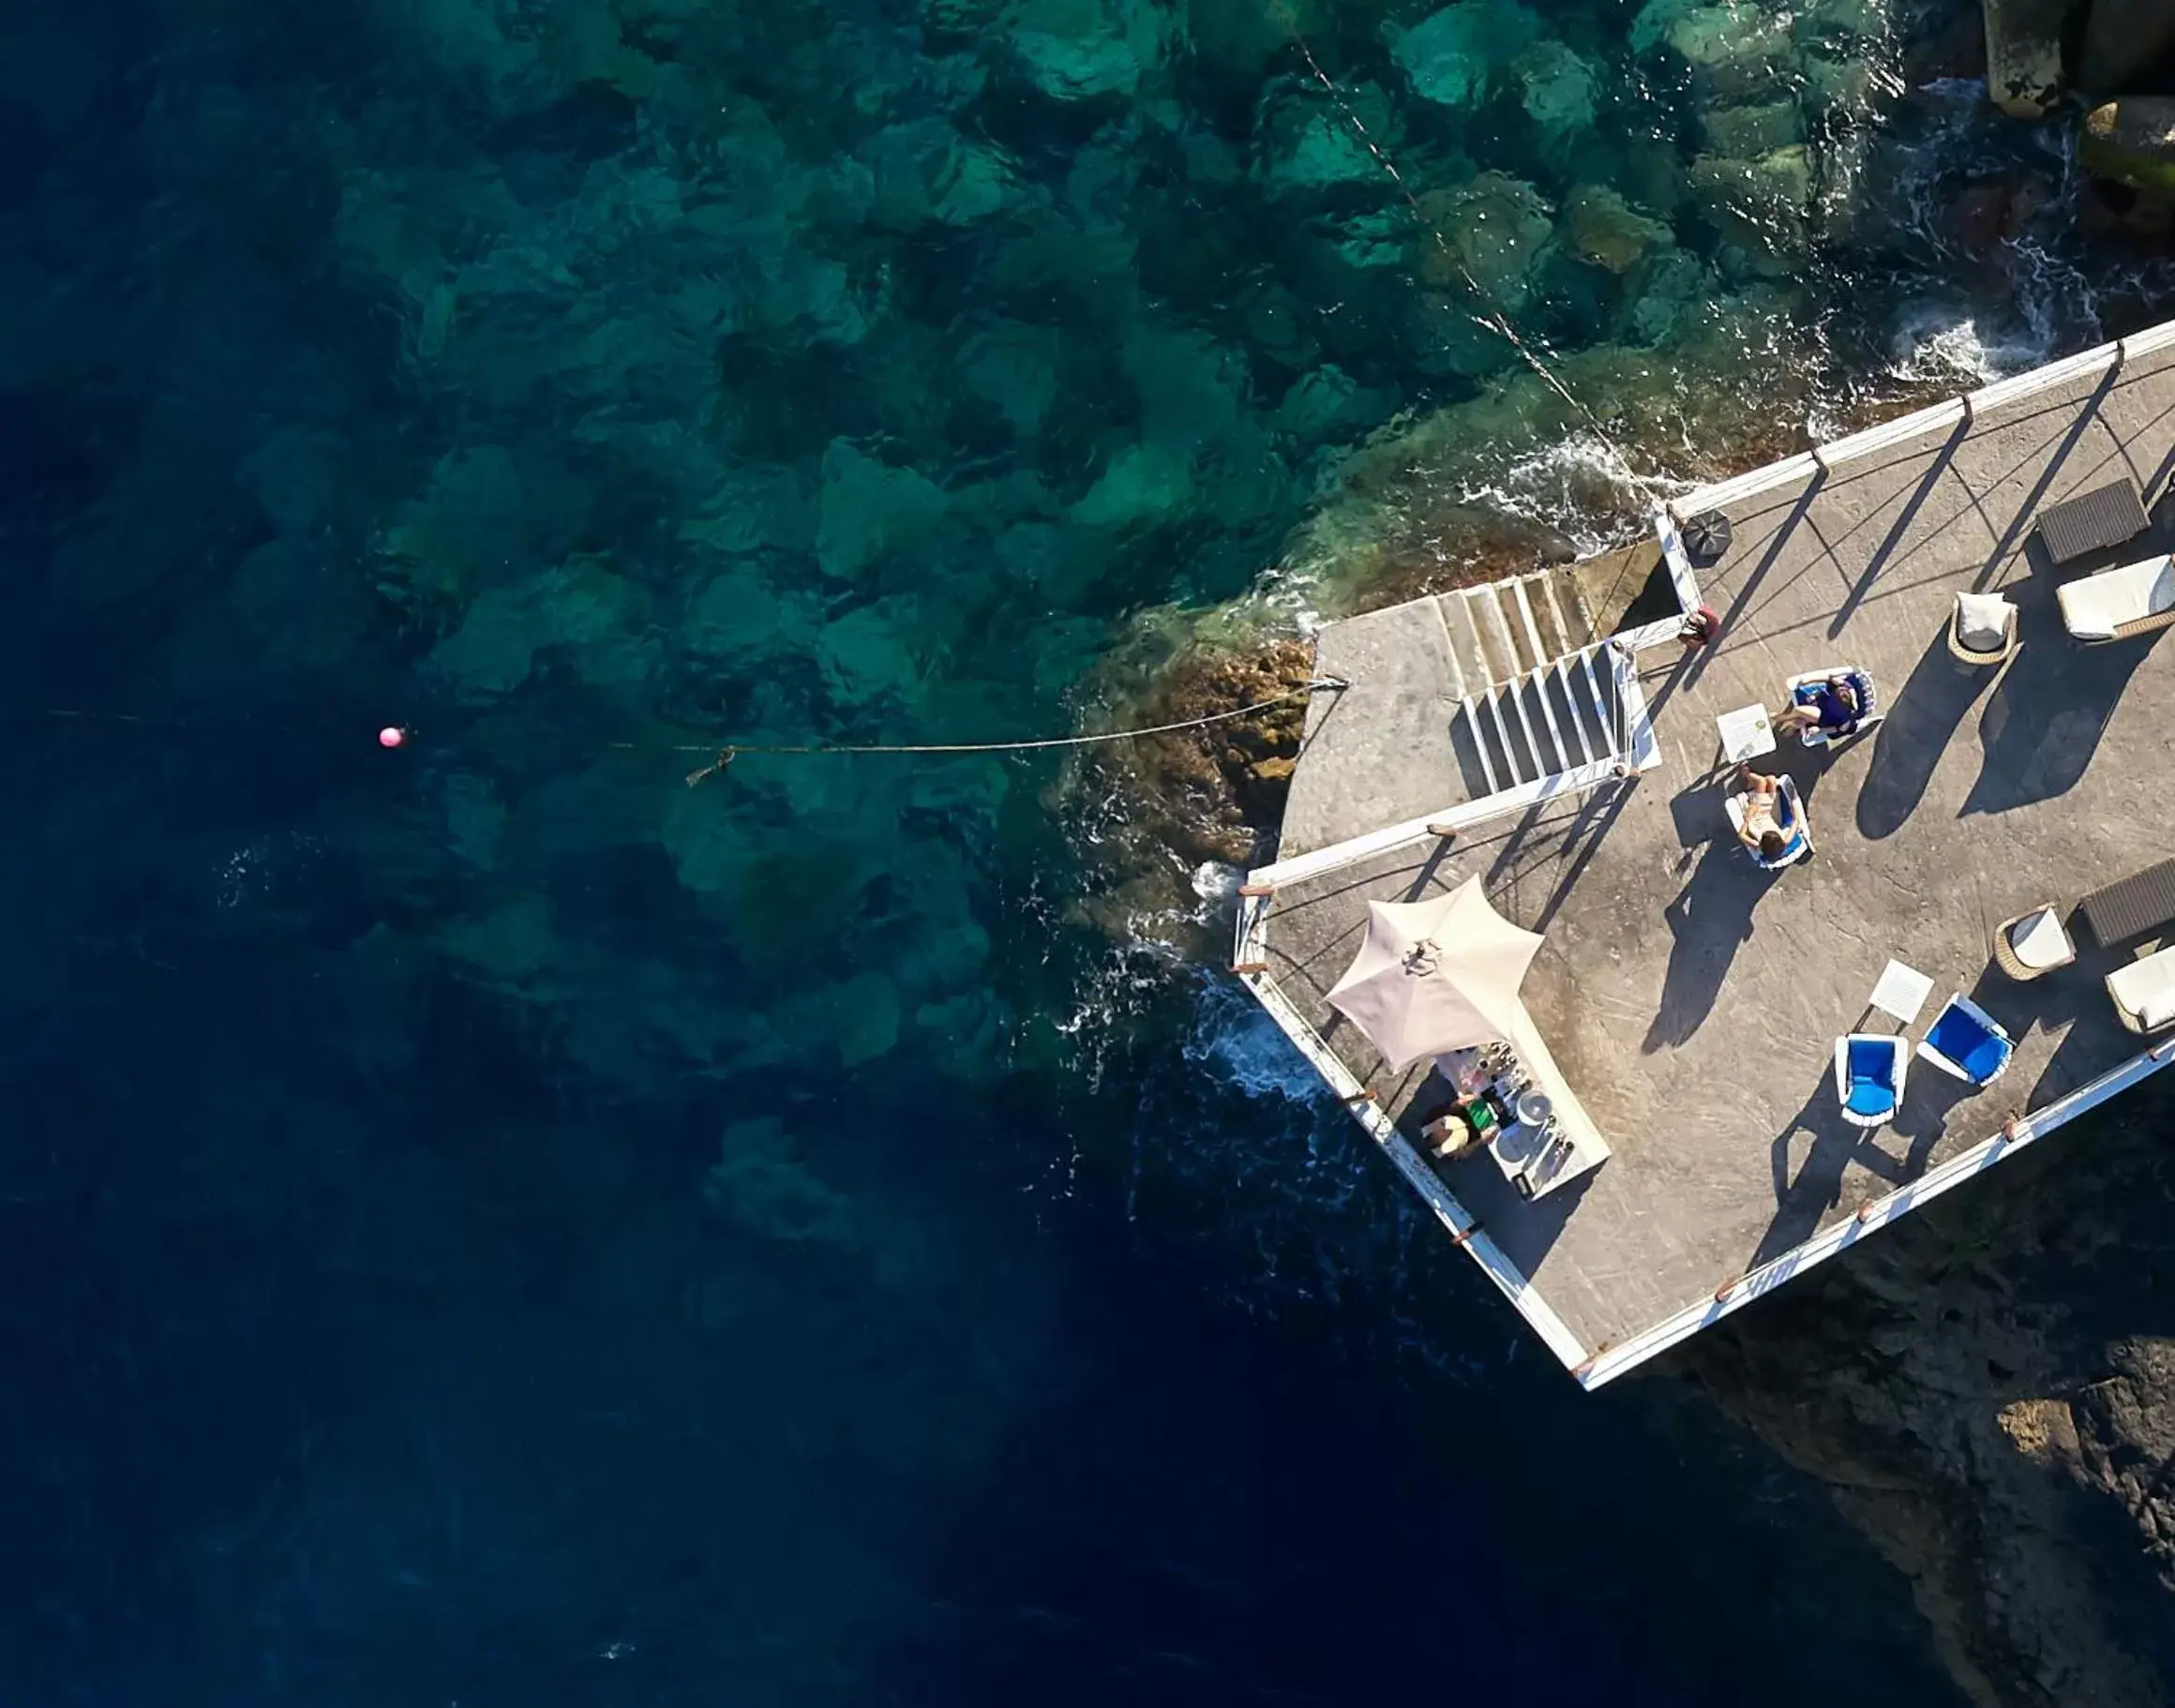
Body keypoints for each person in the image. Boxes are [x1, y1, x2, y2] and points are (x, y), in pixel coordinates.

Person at [1733, 766, 1805, 862]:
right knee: (1771, 779)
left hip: (1756, 814)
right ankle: (1752, 785)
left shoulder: (1757, 843)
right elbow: (1796, 821)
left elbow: (1741, 835)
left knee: (1762, 782)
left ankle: (1746, 775)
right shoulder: (1785, 840)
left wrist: (1748, 819)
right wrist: (1792, 800)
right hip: (1767, 812)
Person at [1775, 670, 1863, 738]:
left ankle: (1782, 718)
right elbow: (1828, 677)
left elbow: (1838, 729)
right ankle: (1793, 724)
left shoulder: (1850, 716)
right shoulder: (1843, 686)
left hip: (1824, 717)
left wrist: (1820, 730)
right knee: (1800, 717)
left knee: (1799, 711)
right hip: (1821, 703)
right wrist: (1808, 680)